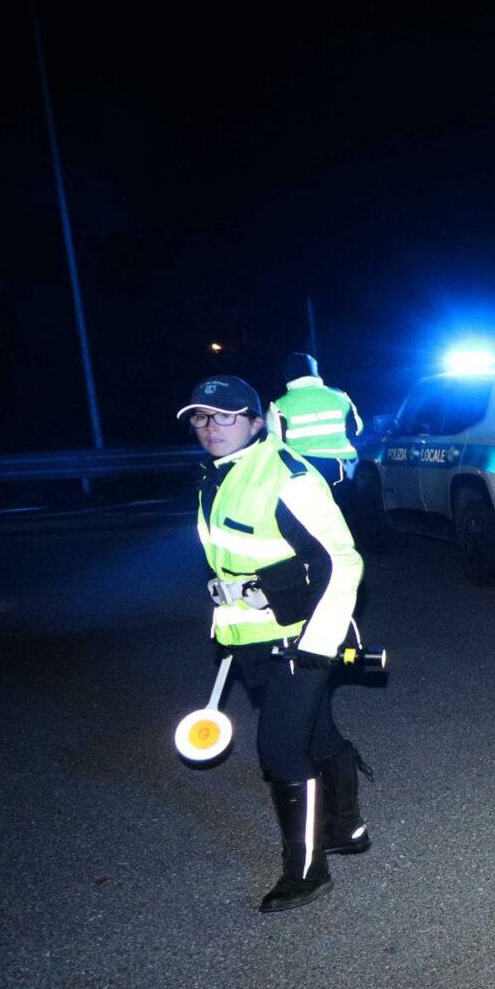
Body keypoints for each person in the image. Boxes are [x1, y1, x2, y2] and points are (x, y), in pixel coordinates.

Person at [178, 373, 373, 912]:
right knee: (316, 734)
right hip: (251, 638)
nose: (211, 428)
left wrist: (320, 640)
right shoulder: (216, 476)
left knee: (281, 750)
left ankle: (307, 873)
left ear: (255, 421)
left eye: (225, 417)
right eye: (200, 417)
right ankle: (348, 828)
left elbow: (341, 560)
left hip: (300, 638)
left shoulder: (289, 476)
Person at [270, 352, 364, 498]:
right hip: (344, 467)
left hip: (303, 468)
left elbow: (275, 442)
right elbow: (357, 430)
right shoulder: (340, 396)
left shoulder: (279, 405)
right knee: (346, 512)